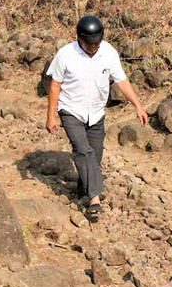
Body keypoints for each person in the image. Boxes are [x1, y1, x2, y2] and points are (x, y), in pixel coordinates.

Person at [45, 15, 148, 222]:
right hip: (71, 109)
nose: (93, 48)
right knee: (83, 151)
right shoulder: (66, 54)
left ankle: (83, 191)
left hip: (97, 112)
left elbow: (122, 80)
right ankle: (94, 200)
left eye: (96, 44)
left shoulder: (108, 53)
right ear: (79, 39)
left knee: (95, 155)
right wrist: (50, 116)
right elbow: (55, 85)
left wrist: (138, 105)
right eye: (89, 45)